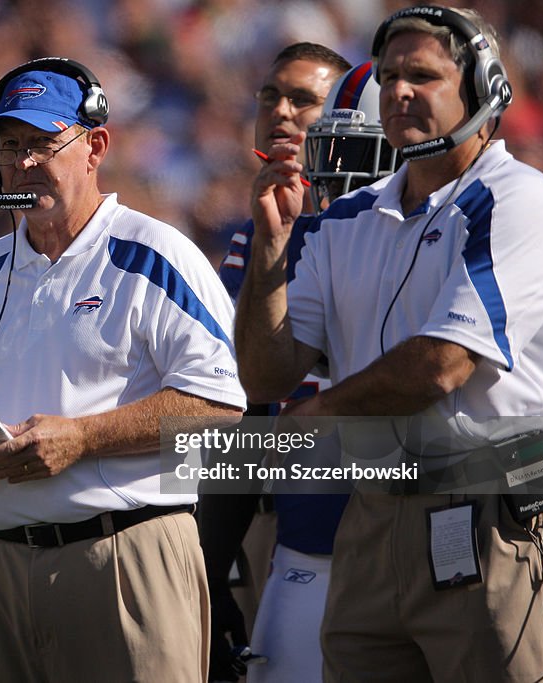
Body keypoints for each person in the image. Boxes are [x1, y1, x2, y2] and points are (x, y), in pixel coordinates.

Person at [236, 6, 543, 681]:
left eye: (423, 75)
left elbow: (443, 363)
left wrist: (320, 417)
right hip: (372, 515)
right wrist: (271, 253)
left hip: (493, 510)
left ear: (481, 90)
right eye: (389, 75)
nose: (399, 91)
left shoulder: (516, 197)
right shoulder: (350, 216)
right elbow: (266, 375)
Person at [0, 57, 246, 683]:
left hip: (122, 553)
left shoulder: (155, 253)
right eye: (8, 145)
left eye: (43, 142)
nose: (23, 161)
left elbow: (221, 409)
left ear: (95, 145)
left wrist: (83, 437)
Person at [218, 62, 400, 683]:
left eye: (303, 100)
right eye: (271, 95)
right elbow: (251, 389)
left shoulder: (474, 224)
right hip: (307, 523)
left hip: (426, 523)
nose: (337, 167)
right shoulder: (286, 229)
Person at [202, 42, 351, 682]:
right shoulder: (251, 234)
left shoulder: (382, 225)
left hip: (381, 507)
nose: (282, 112)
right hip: (279, 513)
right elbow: (245, 404)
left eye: (305, 100)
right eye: (271, 96)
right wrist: (209, 563)